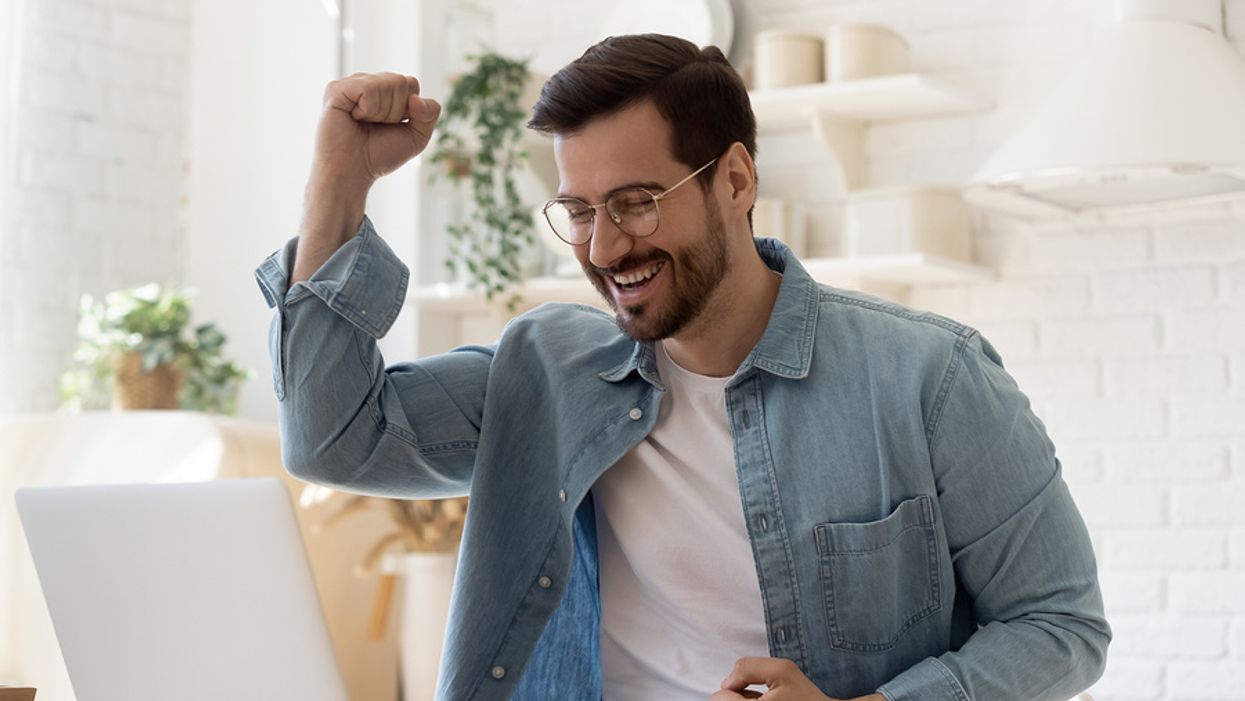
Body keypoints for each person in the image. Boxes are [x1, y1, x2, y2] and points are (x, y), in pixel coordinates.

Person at [256, 34, 1109, 701]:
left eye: (635, 203)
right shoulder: (544, 372)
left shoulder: (932, 377)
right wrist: (339, 181)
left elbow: (1060, 623)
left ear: (734, 180)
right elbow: (332, 439)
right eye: (579, 210)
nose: (603, 246)